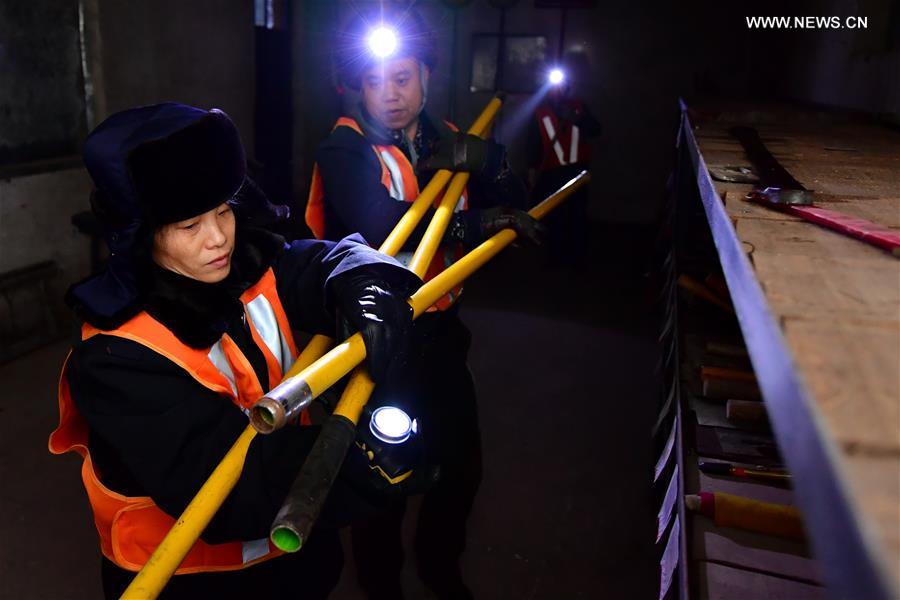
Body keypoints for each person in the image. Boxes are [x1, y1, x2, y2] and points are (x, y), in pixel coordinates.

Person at [49, 103, 422, 599]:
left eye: (224, 210)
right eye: (189, 226)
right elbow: (230, 488)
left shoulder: (248, 264)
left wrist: (361, 282)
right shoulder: (116, 356)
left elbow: (318, 260)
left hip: (295, 558)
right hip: (190, 582)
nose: (219, 237)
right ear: (140, 236)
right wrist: (359, 458)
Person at [305, 6, 544, 599]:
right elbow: (380, 224)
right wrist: (475, 224)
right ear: (357, 86)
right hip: (375, 342)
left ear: (426, 76)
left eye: (403, 78)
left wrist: (494, 163)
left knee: (460, 470)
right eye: (375, 81)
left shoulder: (450, 139)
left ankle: (441, 567)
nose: (390, 94)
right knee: (382, 474)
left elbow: (516, 209)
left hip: (440, 337)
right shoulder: (343, 147)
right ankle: (382, 587)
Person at [527, 52, 601, 265]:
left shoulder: (579, 107)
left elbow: (596, 130)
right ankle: (556, 258)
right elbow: (533, 144)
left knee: (577, 216)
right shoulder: (540, 113)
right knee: (555, 217)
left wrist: (579, 119)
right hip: (552, 173)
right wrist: (532, 173)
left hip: (578, 172)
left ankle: (577, 258)